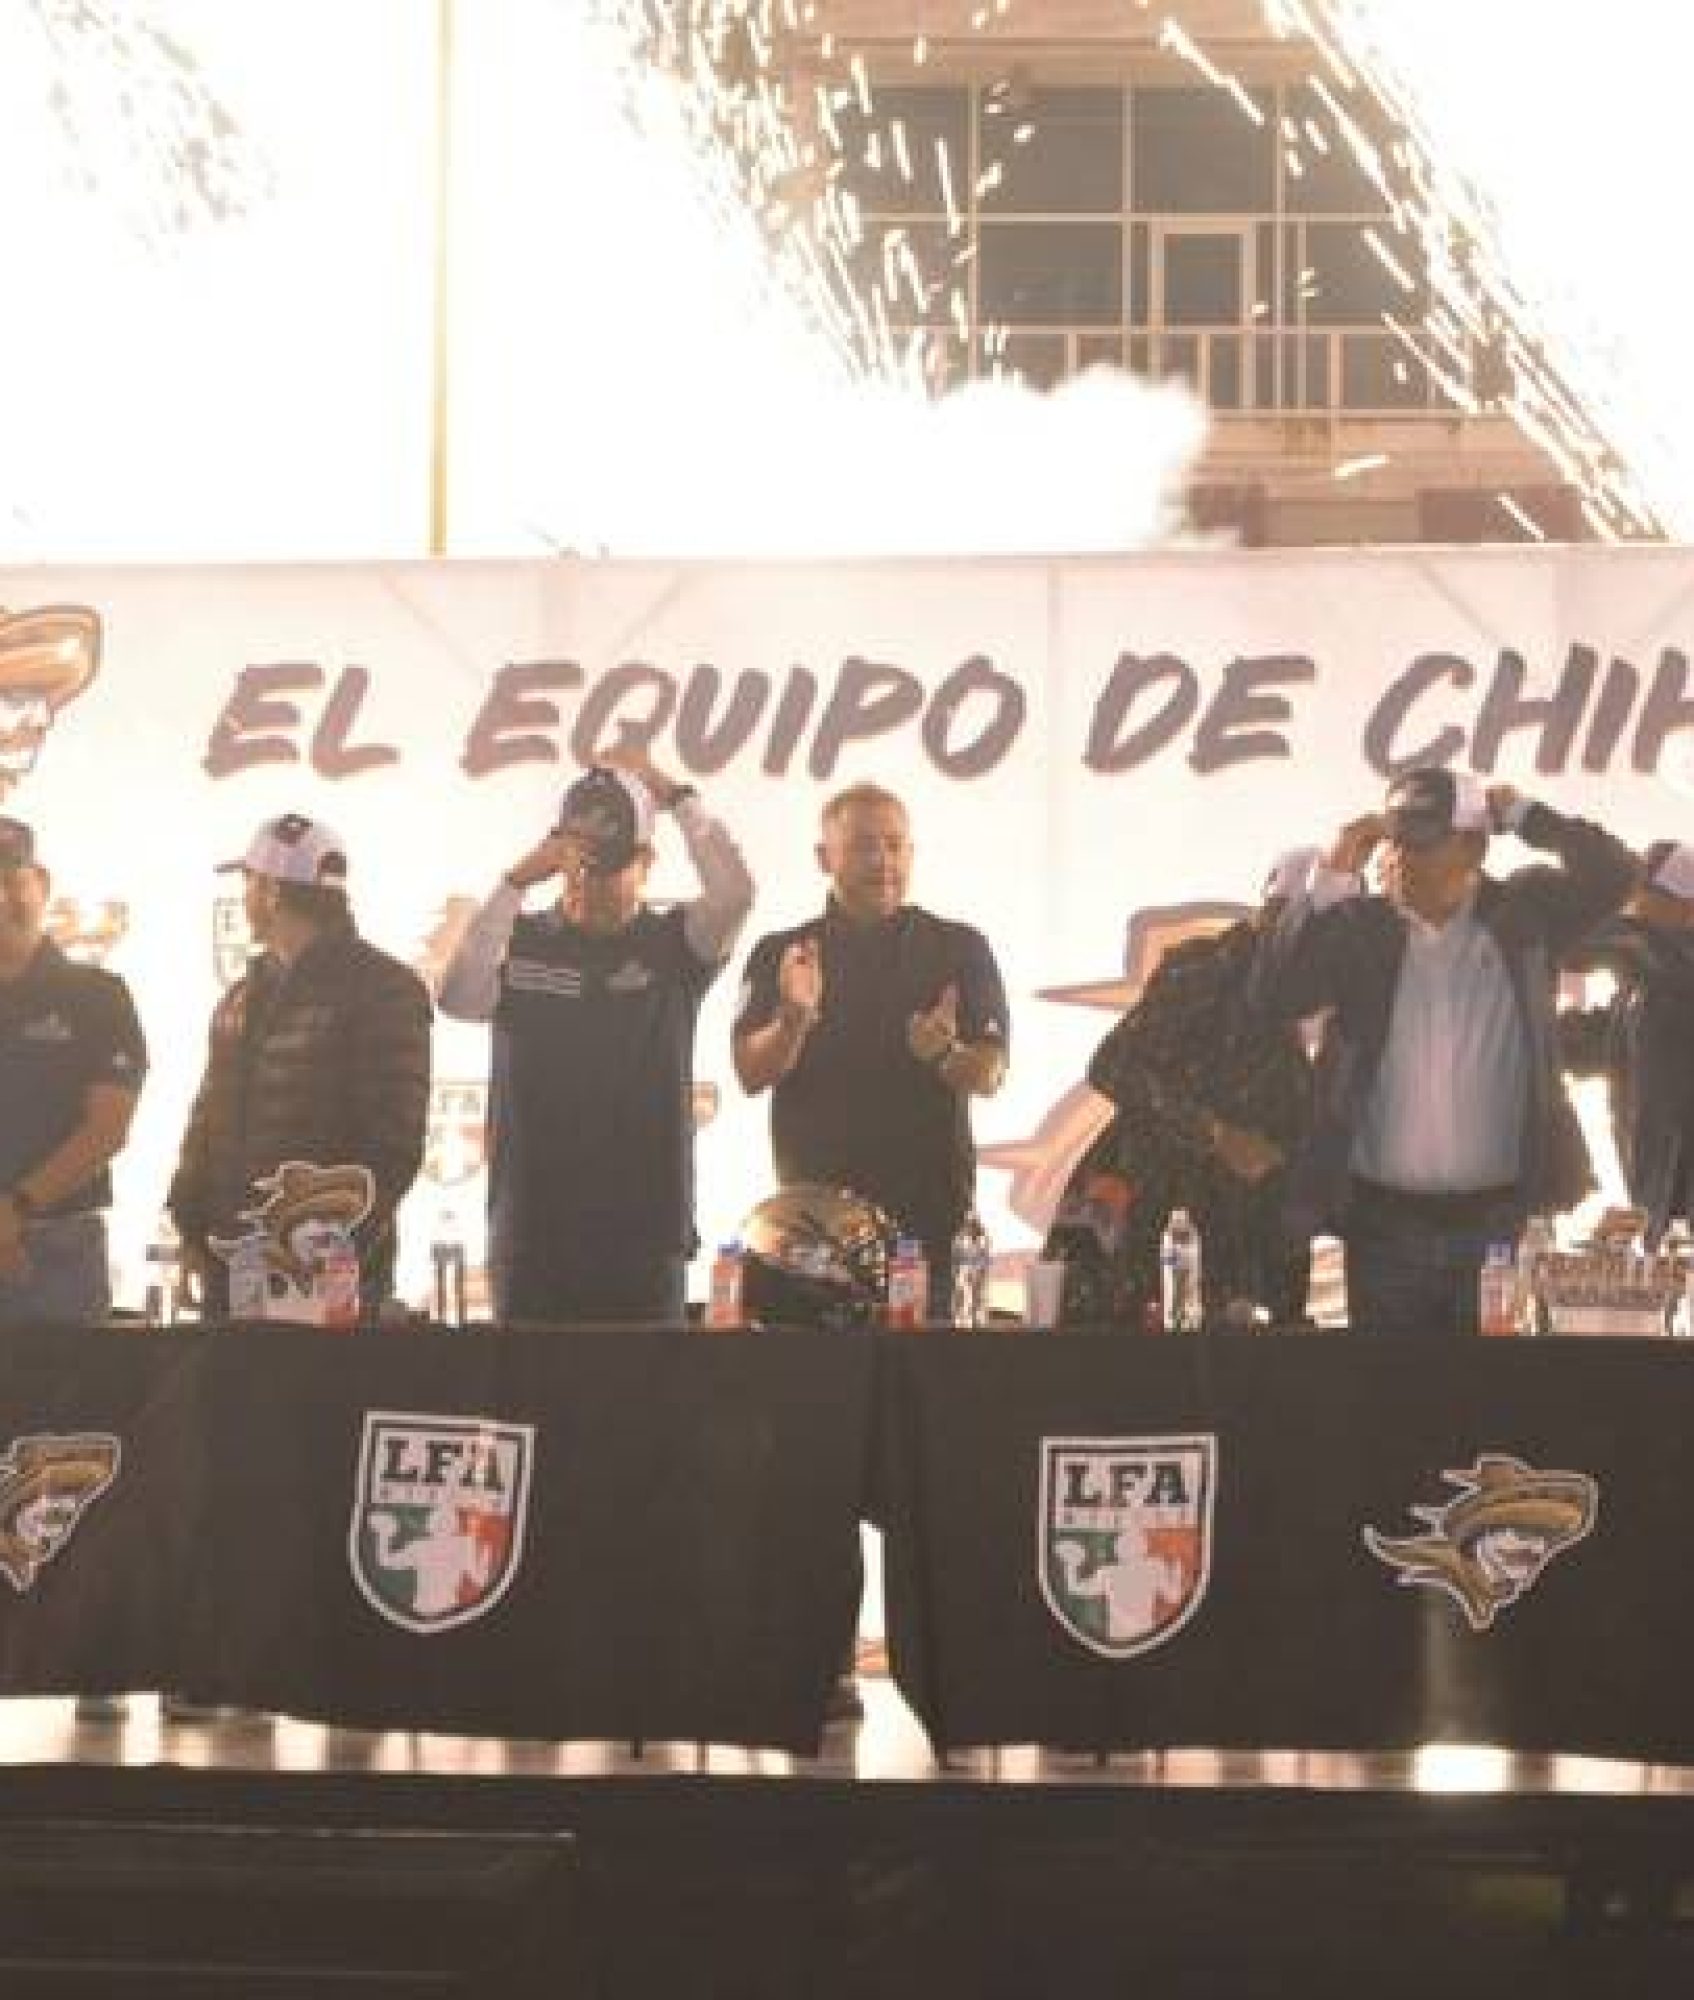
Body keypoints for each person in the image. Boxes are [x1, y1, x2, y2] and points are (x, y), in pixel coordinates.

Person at [1249, 767, 1637, 1336]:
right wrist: (1332, 873)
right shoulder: (1362, 927)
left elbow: (1617, 875)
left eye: (1425, 843)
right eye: (1396, 840)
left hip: (1501, 1222)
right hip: (1382, 1224)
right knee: (1387, 1390)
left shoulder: (1524, 913)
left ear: (1475, 847)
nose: (1403, 858)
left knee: (1492, 1390)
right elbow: (1276, 994)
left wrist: (1525, 816)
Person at [439, 751, 753, 1323]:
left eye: (608, 867)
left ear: (646, 862)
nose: (589, 882)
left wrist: (674, 795)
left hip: (645, 1236)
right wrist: (513, 883)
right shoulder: (520, 937)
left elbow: (735, 893)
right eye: (576, 862)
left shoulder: (677, 942)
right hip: (532, 1235)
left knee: (646, 1386)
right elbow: (459, 998)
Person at [732, 782, 1009, 1303]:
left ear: (912, 853)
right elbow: (750, 1072)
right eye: (863, 846)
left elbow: (990, 1074)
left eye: (895, 845)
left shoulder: (958, 947)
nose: (883, 861)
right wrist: (793, 1019)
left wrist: (944, 1054)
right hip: (814, 1236)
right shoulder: (783, 953)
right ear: (825, 857)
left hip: (930, 1230)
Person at [168, 812, 432, 1318]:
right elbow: (206, 1122)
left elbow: (394, 1144)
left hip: (329, 1274)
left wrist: (326, 1248)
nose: (244, 897)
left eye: (249, 882)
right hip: (234, 1263)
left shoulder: (385, 989)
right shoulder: (240, 999)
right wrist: (191, 1229)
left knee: (320, 1374)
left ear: (270, 891)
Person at [1046, 849, 1319, 1328]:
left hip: (1247, 1225)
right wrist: (1216, 1133)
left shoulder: (1330, 991)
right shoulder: (1206, 967)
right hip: (1149, 1212)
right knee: (1122, 1360)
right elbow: (1113, 1064)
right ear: (1272, 916)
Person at [0, 817, 146, 1326]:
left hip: (55, 1253)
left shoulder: (97, 996)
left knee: (60, 1382)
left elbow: (107, 1128)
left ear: (40, 884)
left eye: (11, 879)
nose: (1, 898)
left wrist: (15, 1210)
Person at [1559, 839, 1694, 1246]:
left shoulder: (1668, 964)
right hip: (1658, 1199)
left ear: (1687, 908)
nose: (1632, 906)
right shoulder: (1640, 990)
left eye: (1646, 897)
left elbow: (1603, 943)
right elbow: (1586, 1047)